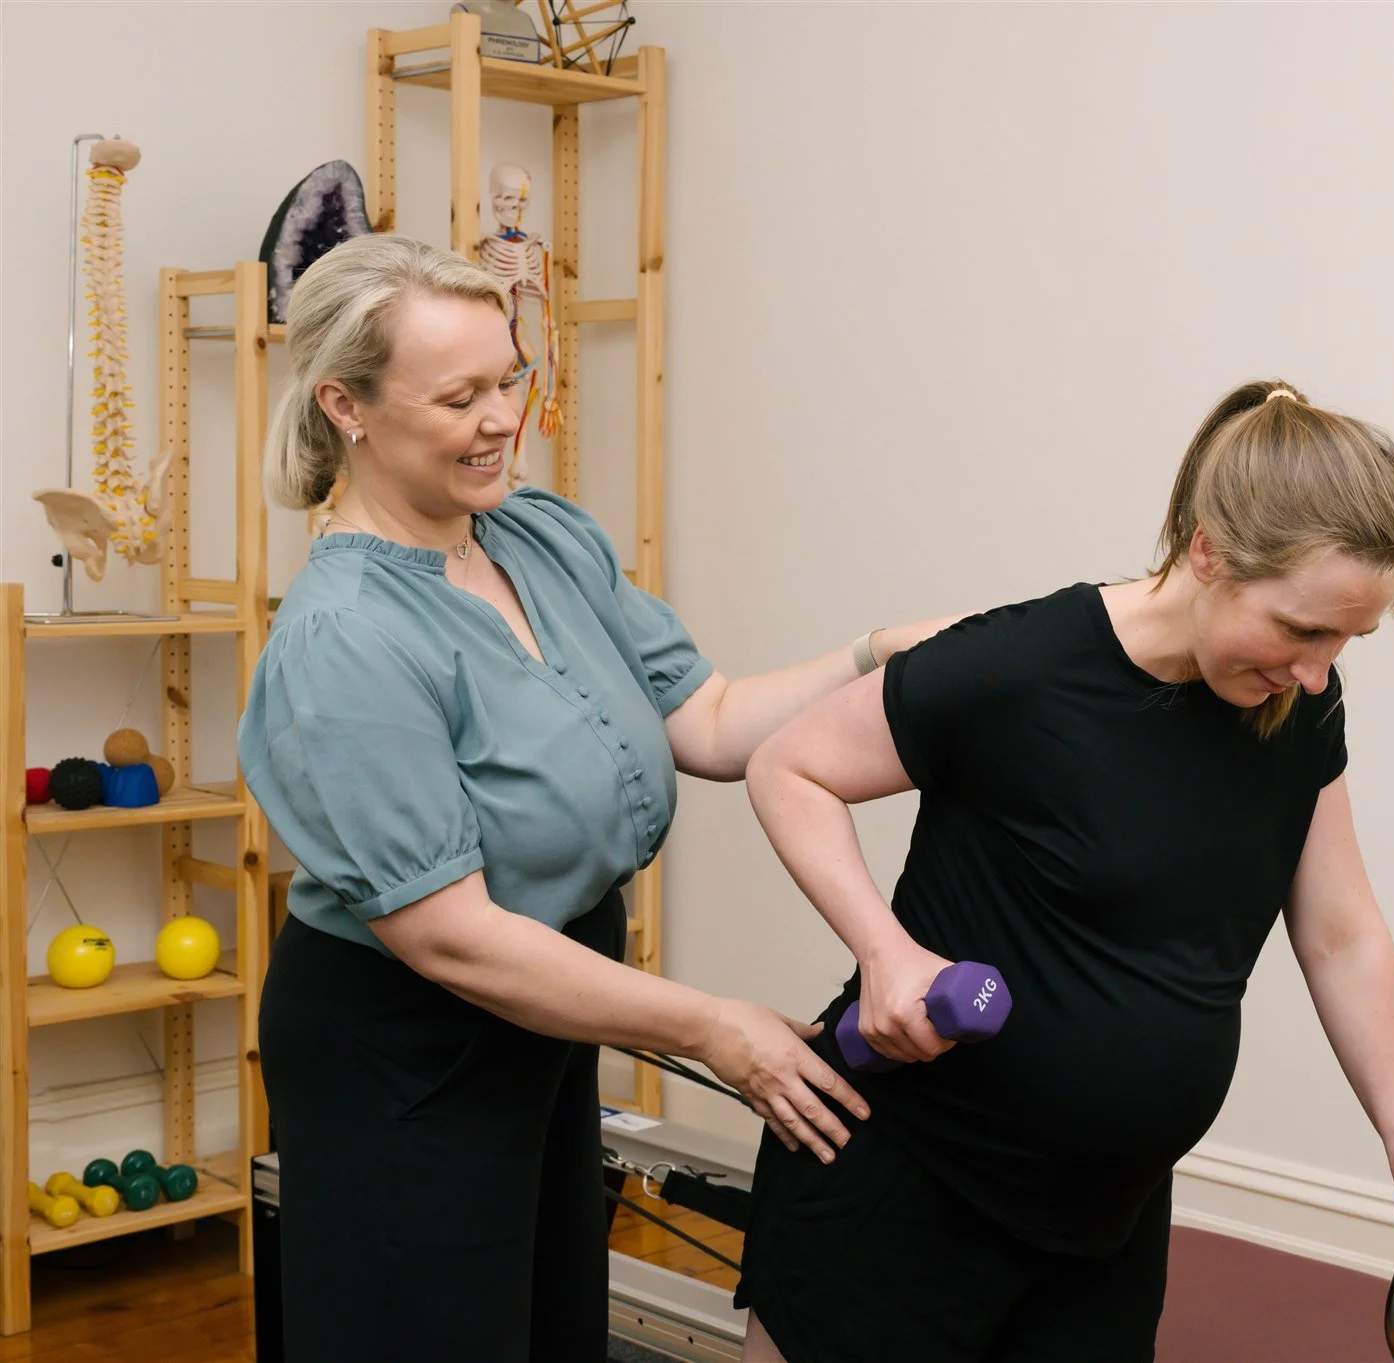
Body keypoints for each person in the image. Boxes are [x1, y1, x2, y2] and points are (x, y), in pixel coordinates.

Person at [739, 381, 1394, 1362]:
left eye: (1346, 640)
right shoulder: (1022, 666)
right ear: (1208, 552)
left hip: (1101, 1226)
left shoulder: (1297, 708)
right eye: (1300, 629)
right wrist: (883, 952)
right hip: (901, 1194)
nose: (1317, 669)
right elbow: (787, 765)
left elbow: (1339, 931)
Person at [238, 233, 949, 1362]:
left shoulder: (539, 535)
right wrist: (715, 1028)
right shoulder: (346, 640)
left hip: (551, 1005)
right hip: (409, 1042)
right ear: (347, 406)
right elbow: (454, 938)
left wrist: (882, 657)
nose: (501, 417)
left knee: (549, 1323)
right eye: (459, 395)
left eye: (509, 379)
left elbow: (706, 718)